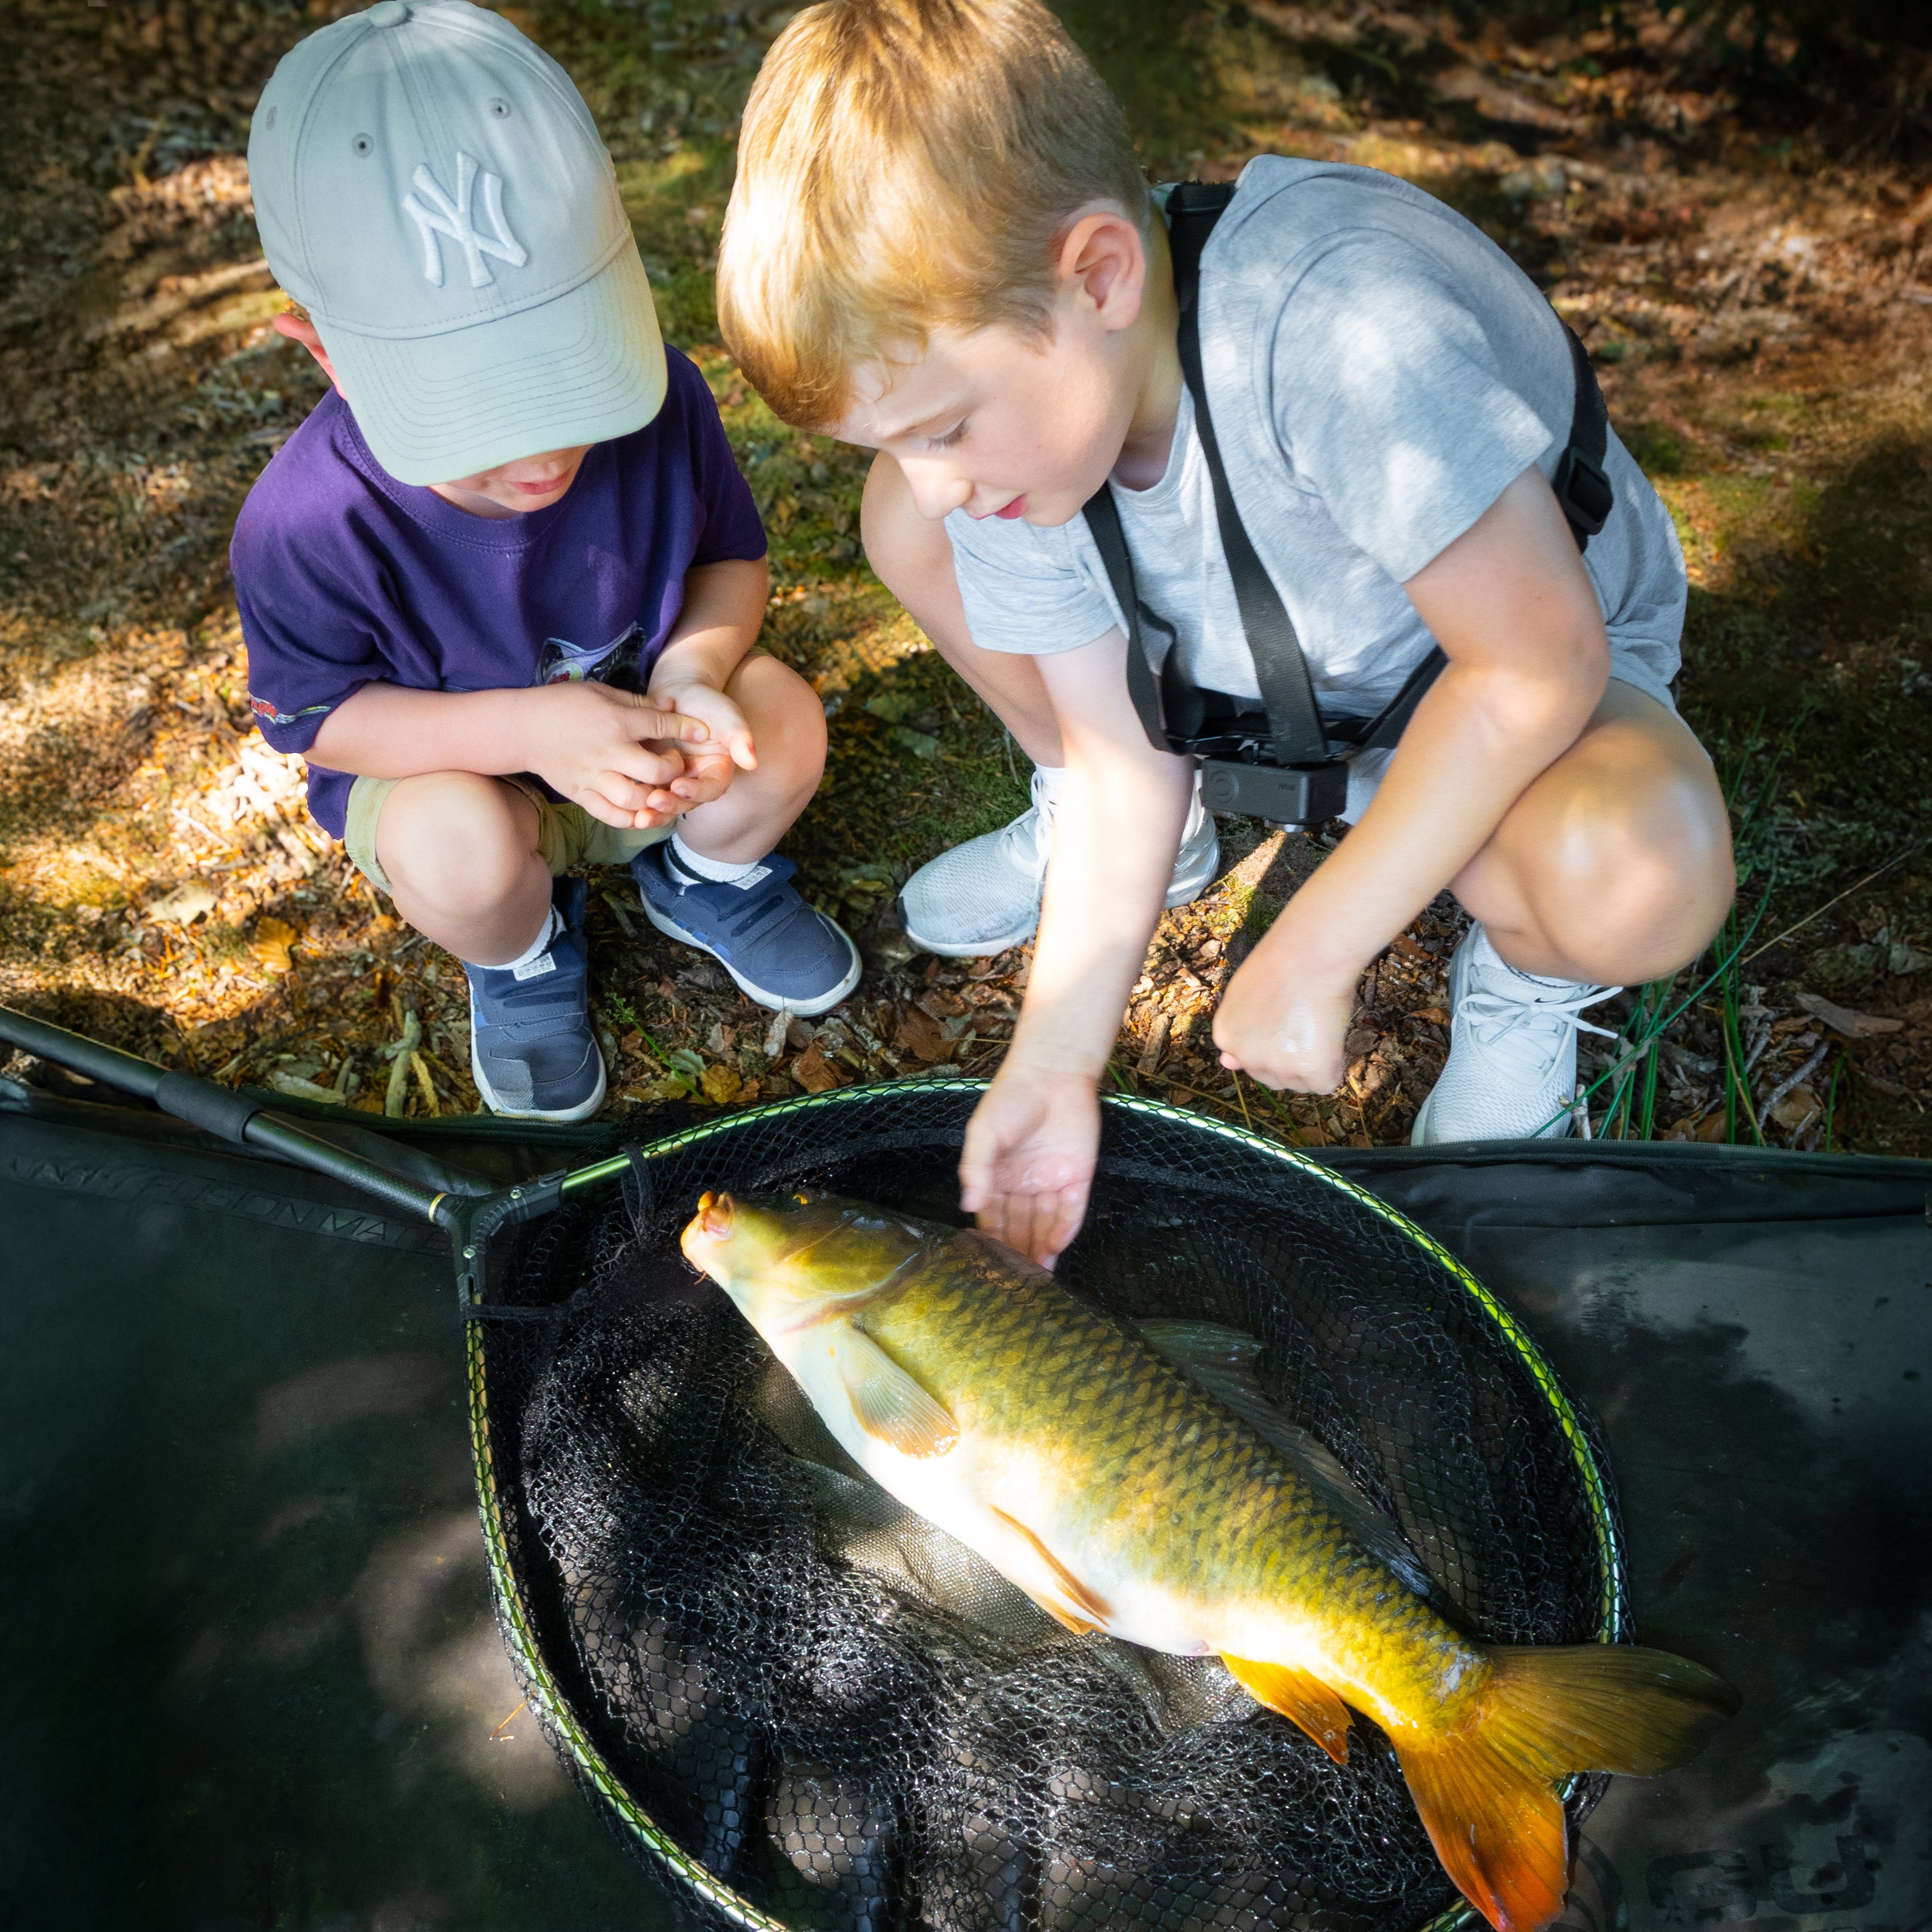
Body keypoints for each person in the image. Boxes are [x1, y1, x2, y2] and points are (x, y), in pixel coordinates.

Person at [715, 0, 1735, 1261]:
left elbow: (1538, 662)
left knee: (1641, 863)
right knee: (916, 529)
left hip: (1488, 668)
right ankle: (1221, 837)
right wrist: (1054, 1065)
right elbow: (1119, 758)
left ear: (1097, 274)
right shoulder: (1033, 429)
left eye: (938, 428)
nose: (937, 479)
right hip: (1270, 674)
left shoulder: (1336, 325)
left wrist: (1317, 941)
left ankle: (1530, 978)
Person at [232, 0, 857, 1125]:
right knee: (452, 847)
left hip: (647, 750)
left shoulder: (664, 401)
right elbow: (320, 718)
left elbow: (728, 562)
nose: (542, 452)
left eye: (569, 375)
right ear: (324, 351)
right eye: (475, 411)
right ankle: (519, 952)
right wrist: (528, 733)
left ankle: (705, 878)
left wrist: (693, 675)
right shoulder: (305, 523)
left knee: (784, 722)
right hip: (462, 784)